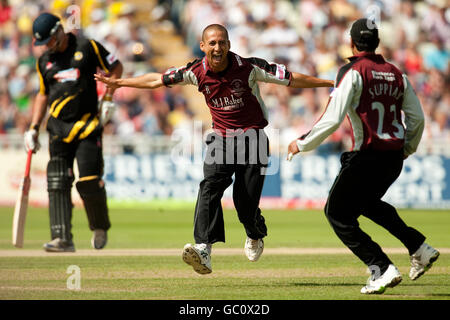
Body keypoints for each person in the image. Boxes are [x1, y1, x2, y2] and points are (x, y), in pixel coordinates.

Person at [95, 24, 333, 274]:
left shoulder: (249, 67)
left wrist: (329, 82)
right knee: (209, 186)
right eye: (212, 43)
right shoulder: (195, 71)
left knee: (245, 203)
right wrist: (120, 81)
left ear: (229, 45)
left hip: (253, 138)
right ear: (203, 46)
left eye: (222, 42)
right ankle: (204, 248)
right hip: (220, 138)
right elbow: (157, 79)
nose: (217, 48)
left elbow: (291, 79)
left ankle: (255, 233)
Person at [287, 18, 439, 294]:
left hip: (366, 156)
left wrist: (303, 143)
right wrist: (405, 150)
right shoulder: (397, 74)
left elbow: (333, 118)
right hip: (392, 158)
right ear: (377, 42)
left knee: (337, 213)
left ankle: (380, 267)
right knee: (368, 204)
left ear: (352, 43)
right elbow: (416, 119)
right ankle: (418, 247)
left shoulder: (353, 71)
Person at [24, 12, 123, 252]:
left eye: (49, 40)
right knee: (58, 181)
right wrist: (33, 128)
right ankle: (62, 238)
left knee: (89, 182)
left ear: (59, 31)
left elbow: (116, 67)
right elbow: (42, 95)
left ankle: (99, 226)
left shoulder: (86, 46)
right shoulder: (44, 61)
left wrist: (108, 98)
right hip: (58, 129)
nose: (47, 47)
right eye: (43, 44)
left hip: (88, 125)